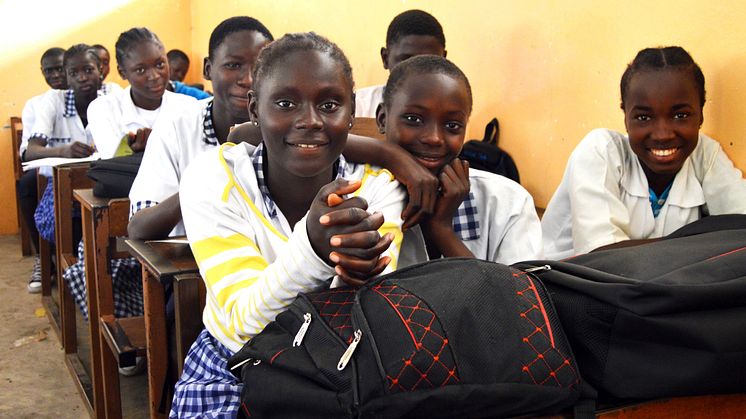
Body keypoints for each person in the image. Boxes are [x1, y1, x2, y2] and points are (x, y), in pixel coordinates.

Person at [172, 31, 406, 418]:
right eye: (285, 103)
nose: (310, 121)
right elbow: (242, 325)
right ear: (254, 109)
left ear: (351, 112)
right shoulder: (213, 178)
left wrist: (356, 278)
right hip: (234, 366)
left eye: (330, 104)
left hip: (342, 365)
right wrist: (314, 248)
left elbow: (364, 317)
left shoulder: (378, 189)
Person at [541, 46, 746, 260]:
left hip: (655, 286)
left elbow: (741, 227)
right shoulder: (601, 151)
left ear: (701, 115)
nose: (663, 134)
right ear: (625, 118)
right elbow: (601, 257)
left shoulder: (706, 154)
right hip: (564, 286)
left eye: (681, 115)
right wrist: (702, 239)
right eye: (643, 118)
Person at [62, 28, 197, 337]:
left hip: (181, 220)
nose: (154, 75)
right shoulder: (105, 108)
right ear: (122, 72)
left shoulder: (188, 107)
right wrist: (165, 153)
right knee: (100, 268)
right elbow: (117, 164)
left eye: (160, 64)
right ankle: (136, 334)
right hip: (126, 216)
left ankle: (164, 335)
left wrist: (149, 147)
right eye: (140, 69)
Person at [376, 55, 542, 265]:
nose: (434, 138)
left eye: (452, 125)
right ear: (382, 119)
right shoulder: (362, 196)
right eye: (414, 119)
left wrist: (442, 230)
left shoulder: (508, 203)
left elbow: (517, 296)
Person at [127, 16, 273, 241]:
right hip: (189, 268)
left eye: (261, 67)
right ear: (208, 69)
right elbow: (139, 228)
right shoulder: (175, 128)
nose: (249, 79)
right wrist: (216, 172)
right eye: (233, 65)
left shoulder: (286, 127)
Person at [25, 44, 106, 267]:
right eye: (74, 73)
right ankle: (74, 268)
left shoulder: (113, 95)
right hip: (64, 185)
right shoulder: (54, 100)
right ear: (67, 77)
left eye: (88, 70)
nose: (82, 78)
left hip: (104, 181)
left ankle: (94, 269)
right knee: (67, 217)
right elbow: (30, 152)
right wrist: (63, 151)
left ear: (101, 69)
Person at [19, 47, 68, 292]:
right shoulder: (35, 104)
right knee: (26, 185)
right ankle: (42, 256)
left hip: (78, 167)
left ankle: (72, 257)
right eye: (50, 70)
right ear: (43, 73)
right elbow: (27, 150)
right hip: (45, 167)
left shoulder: (89, 94)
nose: (56, 74)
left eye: (60, 68)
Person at [355, 9, 447, 117]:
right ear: (385, 58)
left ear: (444, 61)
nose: (418, 74)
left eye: (429, 63)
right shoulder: (357, 107)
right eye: (407, 62)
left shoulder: (452, 109)